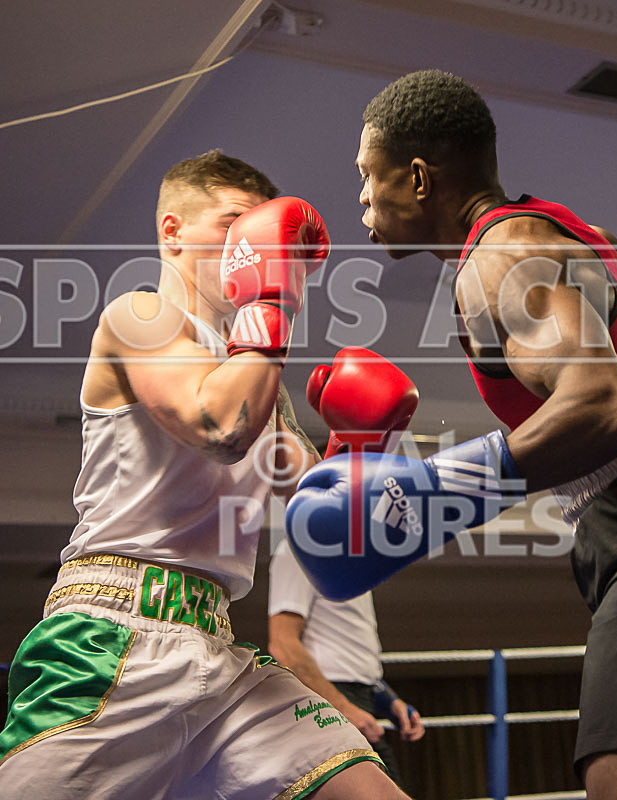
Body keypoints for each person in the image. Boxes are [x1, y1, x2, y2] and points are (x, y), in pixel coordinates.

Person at [285, 71, 617, 800]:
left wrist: (430, 495)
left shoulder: (501, 257)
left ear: (420, 178)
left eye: (369, 175)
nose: (361, 196)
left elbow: (601, 405)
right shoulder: (570, 235)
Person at [0, 150, 411, 799]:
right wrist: (273, 299)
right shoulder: (140, 318)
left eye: (259, 230)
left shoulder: (257, 374)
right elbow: (218, 425)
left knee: (368, 790)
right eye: (232, 225)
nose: (248, 244)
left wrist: (358, 446)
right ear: (172, 232)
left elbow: (322, 518)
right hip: (108, 636)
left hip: (220, 652)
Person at [269, 538, 425, 789]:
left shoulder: (355, 564)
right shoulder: (299, 551)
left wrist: (389, 700)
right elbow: (283, 645)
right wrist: (343, 708)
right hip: (330, 704)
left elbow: (350, 652)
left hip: (359, 700)